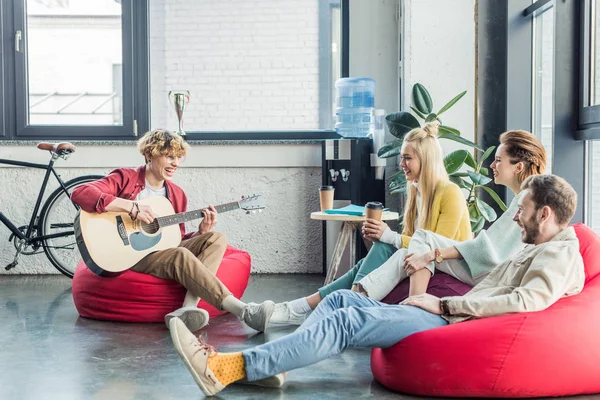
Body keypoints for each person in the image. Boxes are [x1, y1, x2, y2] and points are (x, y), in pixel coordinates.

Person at [169, 174, 584, 396]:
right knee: (341, 301)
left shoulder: (557, 255)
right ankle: (272, 364)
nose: (515, 217)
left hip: (453, 324)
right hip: (448, 316)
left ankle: (226, 368)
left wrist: (445, 307)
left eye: (523, 210)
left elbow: (526, 302)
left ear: (544, 214)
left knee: (343, 323)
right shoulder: (540, 243)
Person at [260, 121, 472, 326]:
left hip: (450, 265)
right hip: (423, 261)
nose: (401, 164)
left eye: (408, 158)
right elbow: (412, 242)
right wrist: (385, 237)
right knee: (371, 258)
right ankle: (308, 306)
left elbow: (439, 247)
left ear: (425, 160)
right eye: (402, 158)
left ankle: (327, 305)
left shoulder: (449, 192)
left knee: (387, 247)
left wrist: (389, 236)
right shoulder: (417, 192)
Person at [71, 129, 274, 333]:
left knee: (216, 238)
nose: (175, 163)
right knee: (180, 255)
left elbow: (172, 240)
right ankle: (244, 311)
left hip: (161, 252)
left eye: (179, 157)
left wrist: (200, 233)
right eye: (169, 156)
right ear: (150, 154)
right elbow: (80, 193)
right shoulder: (126, 178)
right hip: (130, 255)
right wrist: (132, 207)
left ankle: (188, 308)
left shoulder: (176, 194)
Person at [358, 130, 547, 300]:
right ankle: (359, 294)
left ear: (518, 167)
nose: (492, 166)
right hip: (490, 268)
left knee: (424, 238)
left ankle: (414, 305)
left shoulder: (526, 200)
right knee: (405, 255)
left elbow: (491, 250)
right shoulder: (528, 197)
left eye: (498, 160)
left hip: (490, 272)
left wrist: (433, 254)